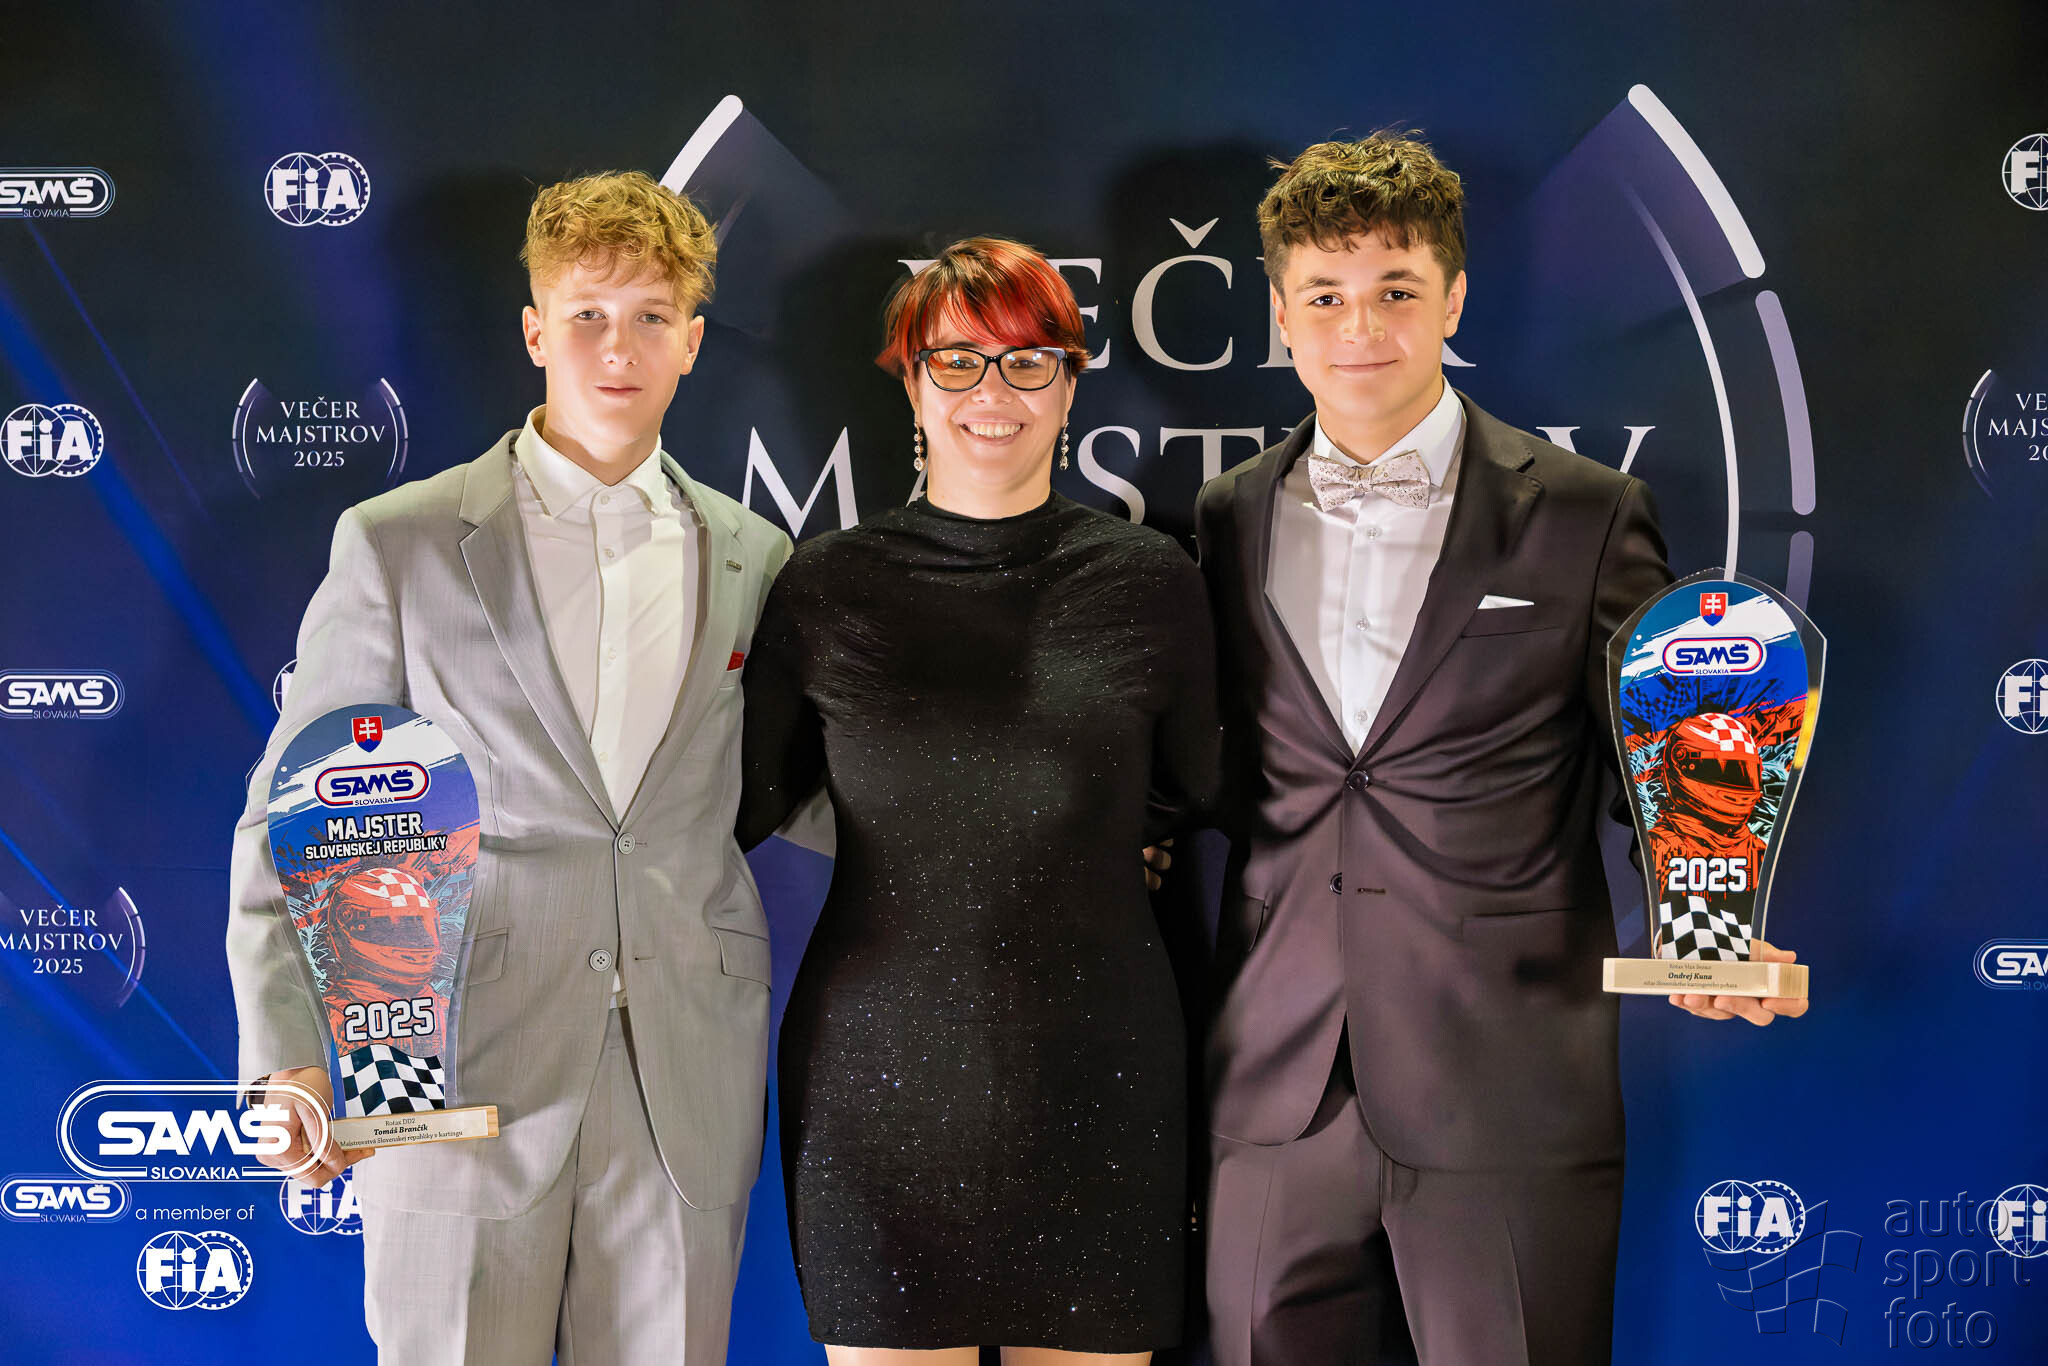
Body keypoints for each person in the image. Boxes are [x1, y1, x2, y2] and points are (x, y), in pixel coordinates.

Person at [1195, 134, 1808, 1366]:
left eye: (1394, 290)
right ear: (1279, 316)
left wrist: (1707, 930)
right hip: (1271, 1088)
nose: (1358, 327)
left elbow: (1660, 761)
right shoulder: (1227, 514)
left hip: (1507, 1083)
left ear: (1453, 300)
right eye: (1324, 295)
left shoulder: (1585, 510)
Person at [226, 170, 795, 1366]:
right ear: (535, 330)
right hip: (447, 1063)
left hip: (682, 1077)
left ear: (692, 341)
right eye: (587, 314)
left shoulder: (753, 552)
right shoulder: (398, 541)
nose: (617, 347)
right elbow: (295, 815)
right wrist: (286, 1055)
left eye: (649, 316)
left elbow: (816, 779)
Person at [737, 236, 1220, 1366]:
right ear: (910, 382)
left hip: (1101, 1075)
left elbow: (1198, 787)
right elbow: (737, 802)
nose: (990, 392)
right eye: (955, 361)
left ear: (1070, 382)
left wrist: (1097, 834)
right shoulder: (826, 585)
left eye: (1026, 360)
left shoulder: (1150, 580)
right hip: (875, 1093)